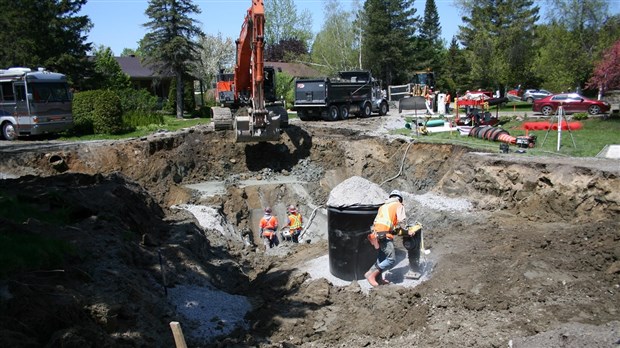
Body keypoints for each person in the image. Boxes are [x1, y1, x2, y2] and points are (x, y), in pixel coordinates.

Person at [365, 190, 411, 287]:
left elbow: (379, 222)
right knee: (391, 259)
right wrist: (407, 231)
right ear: (399, 199)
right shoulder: (398, 205)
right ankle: (371, 275)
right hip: (385, 235)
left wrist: (392, 230)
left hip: (377, 234)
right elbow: (402, 221)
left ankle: (379, 279)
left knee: (381, 258)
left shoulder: (383, 206)